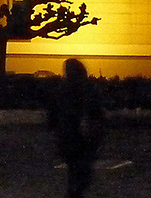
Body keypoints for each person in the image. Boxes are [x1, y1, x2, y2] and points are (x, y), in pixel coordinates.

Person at [53, 58, 105, 198]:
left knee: (75, 170)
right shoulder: (87, 88)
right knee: (82, 171)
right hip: (82, 137)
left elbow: (56, 114)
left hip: (70, 136)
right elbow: (96, 112)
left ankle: (74, 193)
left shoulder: (64, 89)